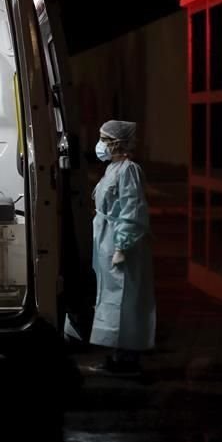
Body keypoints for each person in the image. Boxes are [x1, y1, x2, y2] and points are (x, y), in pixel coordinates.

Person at [81, 120, 156, 375]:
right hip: (106, 241)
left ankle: (127, 359)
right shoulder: (112, 169)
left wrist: (122, 245)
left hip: (120, 243)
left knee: (125, 299)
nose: (100, 144)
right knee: (112, 299)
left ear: (116, 142)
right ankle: (118, 356)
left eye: (104, 139)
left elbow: (132, 209)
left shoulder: (128, 170)